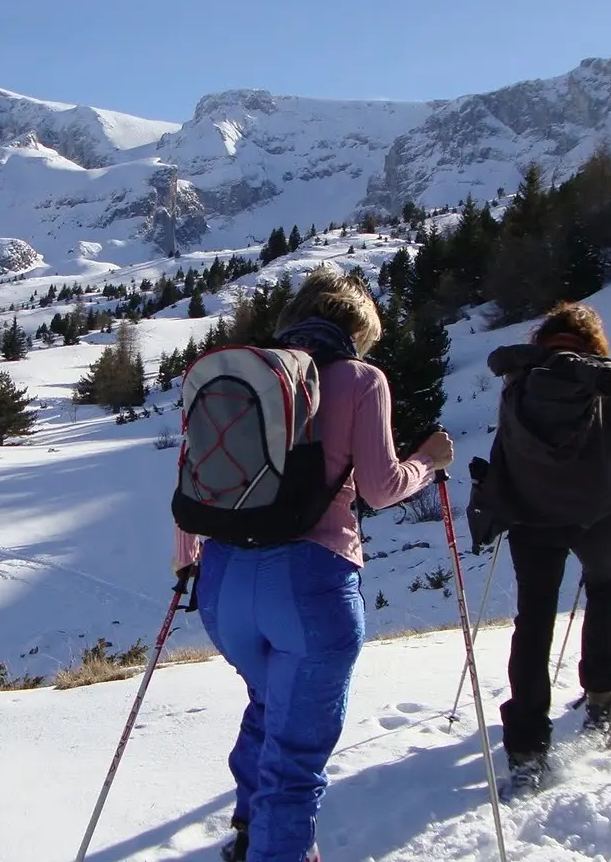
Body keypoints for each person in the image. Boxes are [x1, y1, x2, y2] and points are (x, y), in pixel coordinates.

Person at [172, 266, 454, 862]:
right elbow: (379, 489)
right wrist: (427, 461)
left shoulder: (242, 376)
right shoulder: (360, 379)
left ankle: (250, 834)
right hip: (310, 584)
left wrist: (186, 564)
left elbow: (199, 480)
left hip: (223, 583)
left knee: (268, 703)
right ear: (355, 328)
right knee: (296, 758)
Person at [481, 301, 611, 796]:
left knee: (534, 620)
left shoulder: (520, 372)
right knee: (604, 589)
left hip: (530, 514)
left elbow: (508, 439)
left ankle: (526, 746)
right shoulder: (607, 376)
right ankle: (604, 695)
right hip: (596, 510)